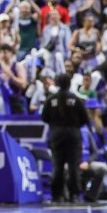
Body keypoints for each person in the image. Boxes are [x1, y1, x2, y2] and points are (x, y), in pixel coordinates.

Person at [42, 72, 90, 202]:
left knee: (57, 165)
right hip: (73, 133)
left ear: (56, 83)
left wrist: (56, 125)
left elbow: (44, 117)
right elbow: (85, 119)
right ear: (69, 84)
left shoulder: (51, 99)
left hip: (56, 133)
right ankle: (74, 194)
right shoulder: (76, 99)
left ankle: (56, 195)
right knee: (74, 165)